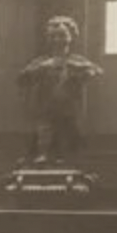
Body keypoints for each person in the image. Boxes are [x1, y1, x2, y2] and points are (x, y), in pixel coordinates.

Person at [18, 15, 103, 165]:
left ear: (71, 37)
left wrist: (83, 70)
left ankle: (64, 157)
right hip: (46, 108)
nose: (57, 40)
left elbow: (97, 72)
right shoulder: (41, 61)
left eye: (62, 35)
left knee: (67, 134)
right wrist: (41, 68)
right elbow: (22, 78)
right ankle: (43, 154)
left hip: (69, 109)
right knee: (44, 132)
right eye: (53, 36)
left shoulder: (77, 60)